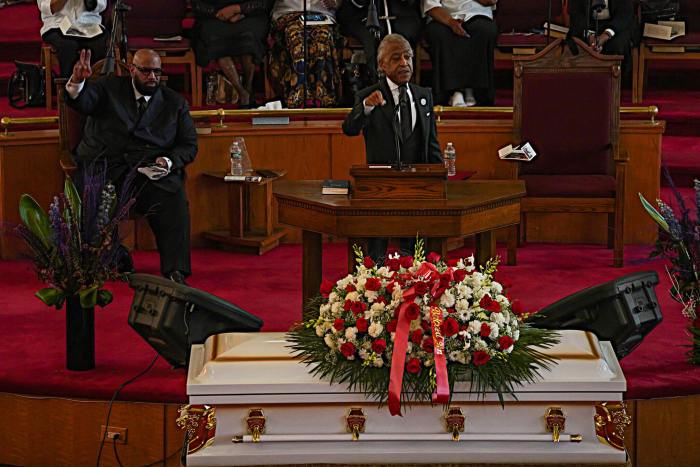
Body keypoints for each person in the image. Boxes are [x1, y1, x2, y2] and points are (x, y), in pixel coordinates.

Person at [65, 49, 198, 284]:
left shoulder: (174, 103)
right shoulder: (109, 88)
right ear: (132, 69)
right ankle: (115, 258)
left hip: (147, 171)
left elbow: (188, 145)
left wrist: (167, 161)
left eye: (157, 71)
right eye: (146, 71)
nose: (152, 77)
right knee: (87, 197)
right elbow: (83, 101)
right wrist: (78, 81)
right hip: (106, 165)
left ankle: (175, 271)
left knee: (173, 199)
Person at [342, 34, 442, 260]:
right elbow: (349, 129)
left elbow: (431, 141)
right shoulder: (367, 95)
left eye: (408, 57)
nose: (404, 63)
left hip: (417, 186)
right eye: (396, 58)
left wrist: (438, 176)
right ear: (382, 65)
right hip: (380, 187)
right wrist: (366, 107)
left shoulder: (423, 95)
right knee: (376, 253)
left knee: (415, 254)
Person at [192, 0, 273, 107]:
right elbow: (197, 4)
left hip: (249, 16)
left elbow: (265, 3)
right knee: (214, 38)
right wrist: (221, 14)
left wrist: (239, 9)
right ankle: (242, 92)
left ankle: (248, 87)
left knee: (249, 38)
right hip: (214, 18)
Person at [268, 0, 342, 108]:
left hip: (321, 16)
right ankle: (298, 99)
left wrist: (335, 3)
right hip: (289, 14)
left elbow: (339, 3)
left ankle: (323, 99)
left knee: (322, 40)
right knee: (297, 40)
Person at [423, 0, 498, 107]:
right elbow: (431, 6)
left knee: (484, 30)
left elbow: (490, 1)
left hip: (477, 14)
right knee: (438, 33)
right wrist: (451, 22)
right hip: (443, 17)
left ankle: (475, 91)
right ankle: (452, 92)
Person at [336, 0, 423, 83]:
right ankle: (379, 84)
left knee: (400, 41)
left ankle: (403, 87)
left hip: (403, 15)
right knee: (373, 36)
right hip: (362, 16)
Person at [38, 0, 108, 78]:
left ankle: (98, 87)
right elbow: (47, 7)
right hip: (58, 24)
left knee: (102, 44)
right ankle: (67, 88)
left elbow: (102, 4)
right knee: (68, 46)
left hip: (89, 24)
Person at [568, 0, 636, 74]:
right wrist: (589, 36)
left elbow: (624, 14)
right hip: (587, 26)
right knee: (574, 44)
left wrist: (606, 35)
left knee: (617, 45)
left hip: (616, 25)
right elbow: (576, 15)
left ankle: (613, 82)